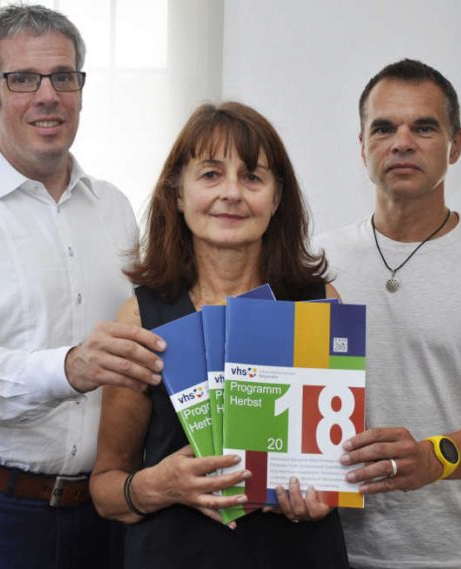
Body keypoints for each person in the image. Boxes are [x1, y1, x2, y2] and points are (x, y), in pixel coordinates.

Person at [0, 4, 165, 568]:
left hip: (101, 514)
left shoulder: (115, 208)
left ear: (81, 91)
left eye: (63, 77)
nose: (48, 96)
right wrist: (68, 368)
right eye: (23, 79)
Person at [89, 101, 351, 569]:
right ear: (177, 193)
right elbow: (107, 489)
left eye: (252, 177)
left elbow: (335, 463)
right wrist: (160, 485)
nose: (231, 193)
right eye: (211, 174)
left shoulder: (318, 302)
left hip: (296, 555)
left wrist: (325, 495)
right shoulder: (140, 317)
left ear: (275, 199)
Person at [315, 59, 461, 569]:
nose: (402, 142)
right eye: (383, 128)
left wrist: (433, 457)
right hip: (337, 550)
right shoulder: (313, 259)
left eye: (423, 127)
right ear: (362, 146)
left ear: (455, 144)